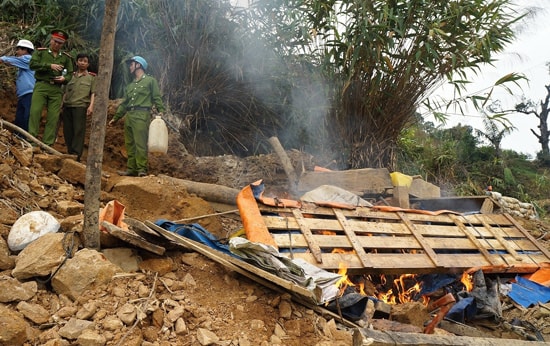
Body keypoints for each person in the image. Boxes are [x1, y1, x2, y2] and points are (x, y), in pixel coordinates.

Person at [108, 56, 165, 177]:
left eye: (131, 64)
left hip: (141, 114)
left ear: (138, 65)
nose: (130, 67)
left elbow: (156, 97)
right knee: (130, 144)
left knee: (140, 143)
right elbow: (125, 103)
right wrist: (116, 117)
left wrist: (161, 110)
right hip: (130, 115)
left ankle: (141, 169)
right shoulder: (130, 85)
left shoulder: (150, 81)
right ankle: (131, 169)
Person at [28, 29, 74, 146]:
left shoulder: (65, 57)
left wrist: (64, 79)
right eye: (55, 41)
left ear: (63, 44)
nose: (57, 44)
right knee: (35, 112)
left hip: (56, 89)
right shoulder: (41, 53)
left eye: (60, 43)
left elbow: (70, 73)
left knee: (53, 117)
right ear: (51, 40)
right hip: (41, 85)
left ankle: (47, 144)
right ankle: (31, 140)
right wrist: (49, 66)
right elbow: (32, 65)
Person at [62, 52, 95, 161]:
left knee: (78, 130)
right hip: (68, 105)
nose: (82, 63)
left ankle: (76, 154)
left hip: (80, 106)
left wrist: (91, 106)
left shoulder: (91, 78)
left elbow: (93, 93)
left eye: (85, 61)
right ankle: (70, 151)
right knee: (67, 130)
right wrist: (62, 104)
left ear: (88, 64)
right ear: (76, 62)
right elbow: (65, 92)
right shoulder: (70, 76)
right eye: (80, 60)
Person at [0, 39, 35, 132]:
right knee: (20, 117)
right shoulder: (23, 63)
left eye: (19, 49)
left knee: (26, 116)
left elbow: (12, 60)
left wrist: (2, 59)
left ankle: (26, 137)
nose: (17, 52)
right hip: (23, 94)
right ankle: (19, 138)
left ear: (25, 50)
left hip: (29, 93)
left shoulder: (28, 59)